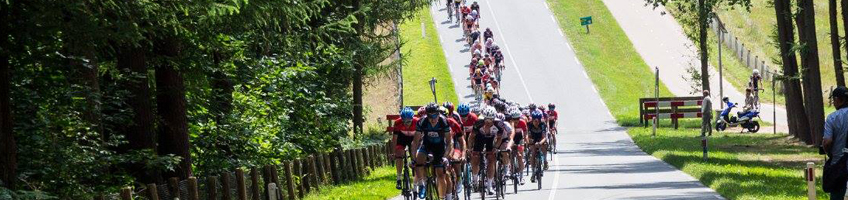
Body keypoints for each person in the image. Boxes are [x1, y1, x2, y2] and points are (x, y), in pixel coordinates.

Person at [413, 103, 453, 200]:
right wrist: (414, 158)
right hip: (427, 144)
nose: (433, 119)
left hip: (440, 147)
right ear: (427, 115)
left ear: (439, 114)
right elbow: (415, 142)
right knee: (419, 161)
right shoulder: (422, 121)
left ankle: (442, 197)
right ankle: (422, 184)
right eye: (430, 116)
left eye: (435, 115)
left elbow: (449, 142)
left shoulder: (444, 122)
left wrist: (446, 157)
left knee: (440, 174)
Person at [469, 106, 508, 195]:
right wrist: (470, 148)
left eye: (490, 119)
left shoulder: (499, 124)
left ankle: (489, 186)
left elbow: (499, 139)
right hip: (480, 138)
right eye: (486, 119)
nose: (488, 122)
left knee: (491, 159)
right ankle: (475, 180)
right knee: (475, 158)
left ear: (494, 118)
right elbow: (471, 137)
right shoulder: (478, 123)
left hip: (491, 139)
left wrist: (495, 148)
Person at [822, 86, 848, 199]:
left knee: (837, 195)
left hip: (839, 164)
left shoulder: (832, 118)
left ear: (838, 100)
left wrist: (828, 152)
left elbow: (827, 141)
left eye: (834, 100)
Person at [393, 107, 419, 189]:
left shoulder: (417, 122)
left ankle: (415, 182)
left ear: (412, 118)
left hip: (413, 138)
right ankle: (399, 179)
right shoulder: (397, 122)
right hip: (402, 138)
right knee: (399, 155)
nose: (406, 123)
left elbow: (420, 136)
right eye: (404, 121)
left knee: (414, 158)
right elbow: (394, 139)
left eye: (408, 121)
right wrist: (394, 152)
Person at [507, 107, 527, 185]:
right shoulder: (508, 123)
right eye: (514, 119)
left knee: (519, 155)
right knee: (510, 155)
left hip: (519, 138)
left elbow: (525, 134)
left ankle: (522, 176)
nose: (516, 120)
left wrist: (525, 141)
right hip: (511, 138)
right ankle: (511, 170)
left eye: (518, 118)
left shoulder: (522, 122)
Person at [527, 110, 548, 182]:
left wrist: (540, 143)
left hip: (540, 138)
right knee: (533, 152)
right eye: (535, 121)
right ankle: (533, 172)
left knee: (544, 146)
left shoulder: (542, 124)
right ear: (532, 120)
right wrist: (530, 141)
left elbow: (544, 137)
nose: (537, 122)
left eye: (538, 121)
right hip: (533, 138)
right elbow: (528, 136)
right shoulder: (529, 124)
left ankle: (545, 161)